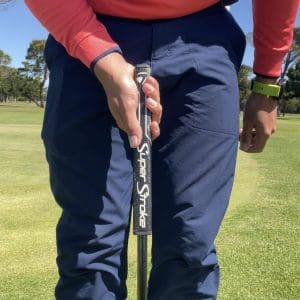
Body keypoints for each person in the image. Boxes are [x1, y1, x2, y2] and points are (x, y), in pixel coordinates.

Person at [25, 0, 299, 299]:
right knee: (91, 244)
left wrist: (267, 82)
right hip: (86, 30)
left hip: (204, 40)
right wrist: (100, 56)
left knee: (189, 242)